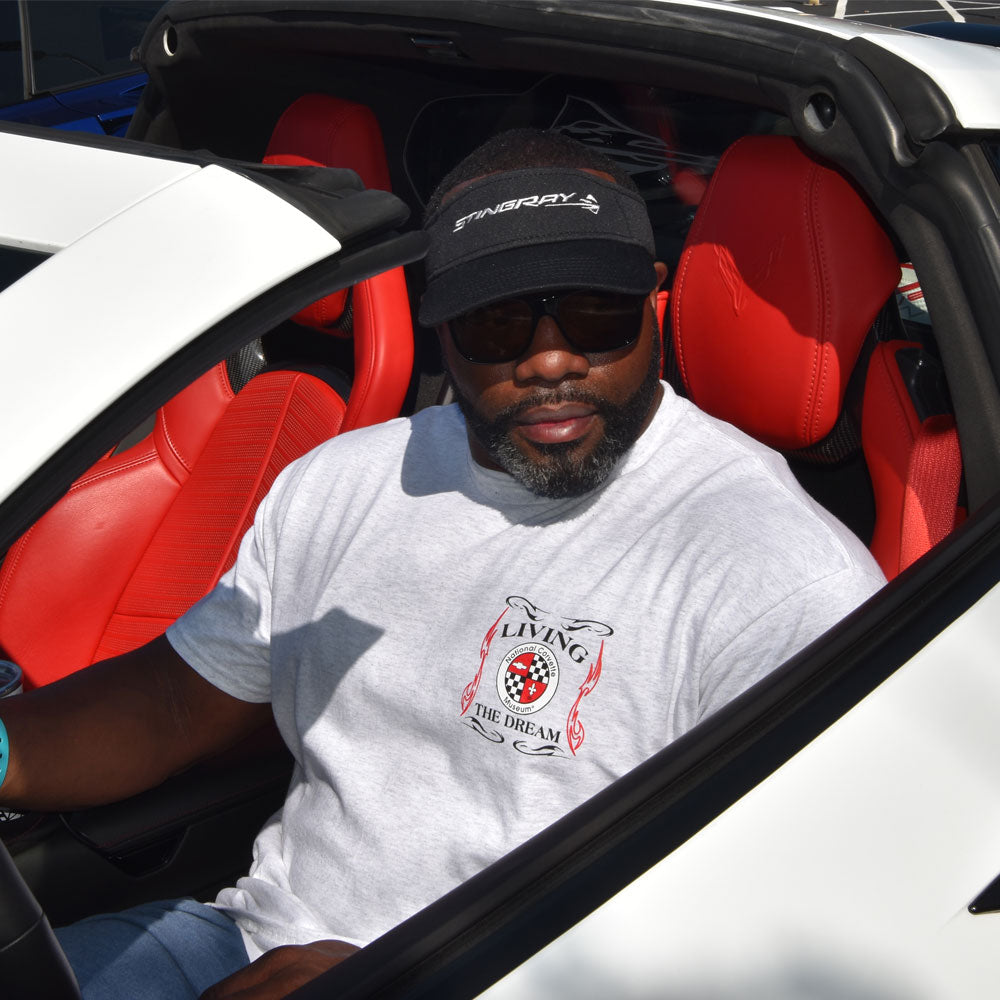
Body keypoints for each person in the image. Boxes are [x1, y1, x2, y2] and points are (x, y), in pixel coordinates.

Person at [0, 128, 885, 999]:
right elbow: (171, 704)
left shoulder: (777, 574)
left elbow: (789, 928)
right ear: (442, 332)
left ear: (652, 300)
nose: (551, 359)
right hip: (242, 940)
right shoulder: (341, 482)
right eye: (498, 322)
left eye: (595, 315)